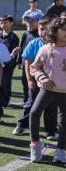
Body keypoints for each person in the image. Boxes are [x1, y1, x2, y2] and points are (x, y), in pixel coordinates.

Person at [28, 16, 66, 163]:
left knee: (64, 121)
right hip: (48, 89)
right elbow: (34, 67)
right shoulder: (46, 48)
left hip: (65, 92)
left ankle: (61, 151)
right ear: (55, 31)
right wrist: (42, 78)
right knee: (34, 113)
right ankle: (36, 145)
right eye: (64, 30)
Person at [15, 16, 58, 138]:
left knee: (51, 107)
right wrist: (29, 80)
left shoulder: (57, 44)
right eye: (41, 29)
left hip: (52, 82)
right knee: (31, 104)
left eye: (46, 29)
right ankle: (22, 125)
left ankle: (51, 130)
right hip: (35, 80)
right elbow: (27, 63)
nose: (43, 32)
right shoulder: (33, 43)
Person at [16, 11, 41, 107]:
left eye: (32, 20)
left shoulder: (40, 35)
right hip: (26, 63)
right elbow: (22, 48)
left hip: (36, 65)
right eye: (28, 20)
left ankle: (35, 102)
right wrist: (19, 61)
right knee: (25, 82)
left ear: (39, 21)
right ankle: (26, 101)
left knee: (35, 84)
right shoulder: (26, 33)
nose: (29, 22)